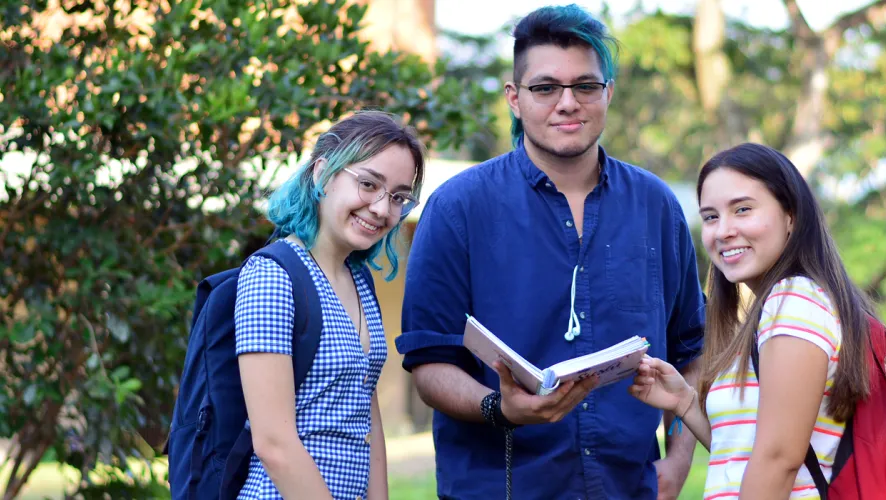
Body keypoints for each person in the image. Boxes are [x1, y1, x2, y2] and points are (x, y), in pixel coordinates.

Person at [395, 4, 706, 500]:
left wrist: (680, 457)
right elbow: (430, 365)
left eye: (585, 86)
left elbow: (691, 347)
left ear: (607, 94)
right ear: (515, 99)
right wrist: (501, 407)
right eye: (546, 88)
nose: (567, 103)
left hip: (628, 489)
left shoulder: (657, 206)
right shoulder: (457, 208)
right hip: (499, 488)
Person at [629, 143, 879, 499]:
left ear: (790, 215)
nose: (724, 230)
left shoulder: (793, 302)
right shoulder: (776, 309)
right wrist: (684, 402)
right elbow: (745, 453)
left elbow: (778, 460)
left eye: (742, 210)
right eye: (711, 216)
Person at [234, 111, 424, 499]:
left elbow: (365, 413)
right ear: (322, 173)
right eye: (369, 184)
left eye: (399, 197)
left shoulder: (359, 280)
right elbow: (273, 442)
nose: (382, 209)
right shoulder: (272, 275)